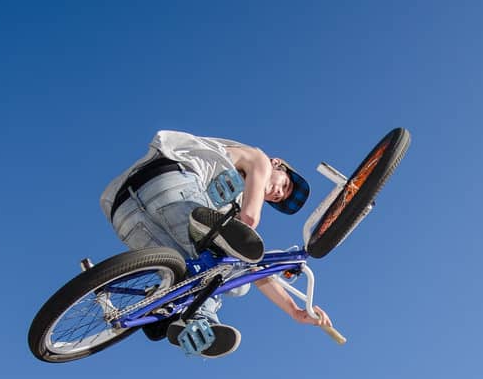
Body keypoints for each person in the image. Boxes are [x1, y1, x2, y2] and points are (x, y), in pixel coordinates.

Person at [100, 130, 331, 358]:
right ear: (277, 164)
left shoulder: (232, 201)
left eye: (278, 197)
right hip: (171, 184)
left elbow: (254, 272)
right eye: (285, 185)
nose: (277, 192)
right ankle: (200, 317)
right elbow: (250, 219)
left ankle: (165, 304)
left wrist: (294, 311)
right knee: (232, 273)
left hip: (123, 210)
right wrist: (248, 243)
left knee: (192, 274)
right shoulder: (258, 159)